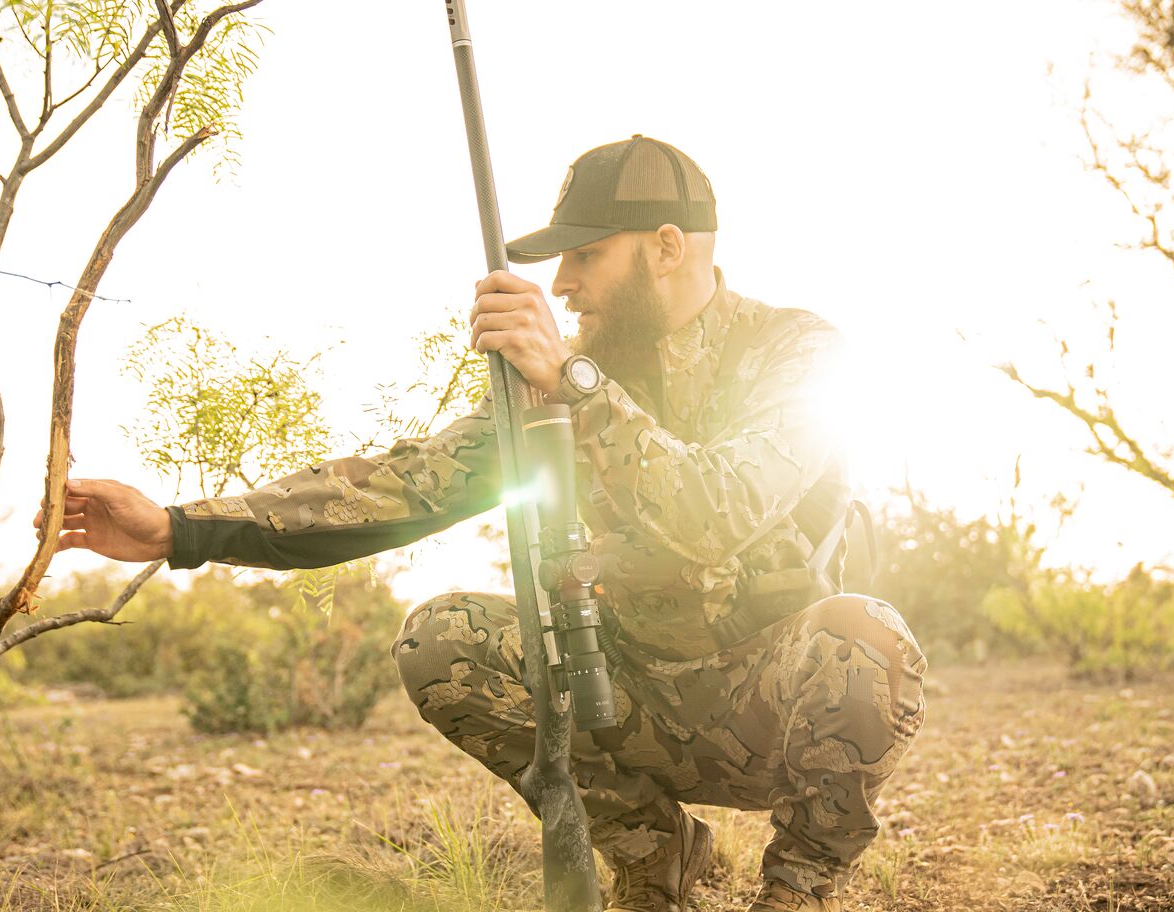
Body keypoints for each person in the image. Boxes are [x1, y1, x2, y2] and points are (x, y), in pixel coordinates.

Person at [53, 135, 926, 912]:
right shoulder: (571, 379)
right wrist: (180, 530)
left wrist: (574, 390)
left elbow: (715, 512)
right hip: (624, 696)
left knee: (868, 640)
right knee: (441, 639)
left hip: (768, 706)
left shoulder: (797, 354)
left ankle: (795, 889)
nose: (563, 286)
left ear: (667, 247)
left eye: (585, 255)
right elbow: (400, 487)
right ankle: (654, 859)